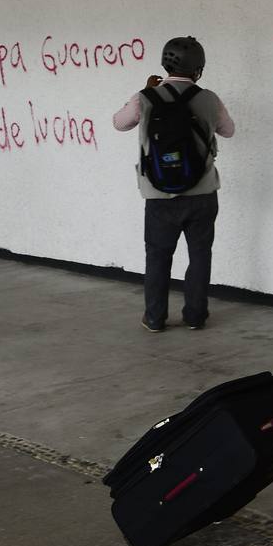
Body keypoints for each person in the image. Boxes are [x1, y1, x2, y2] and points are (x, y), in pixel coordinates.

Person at [113, 36, 235, 332]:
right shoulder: (208, 98)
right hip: (203, 194)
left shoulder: (146, 97)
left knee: (157, 256)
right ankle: (195, 316)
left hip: (158, 195)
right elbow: (229, 131)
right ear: (199, 68)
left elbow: (119, 123)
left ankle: (155, 318)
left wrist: (148, 92)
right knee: (199, 255)